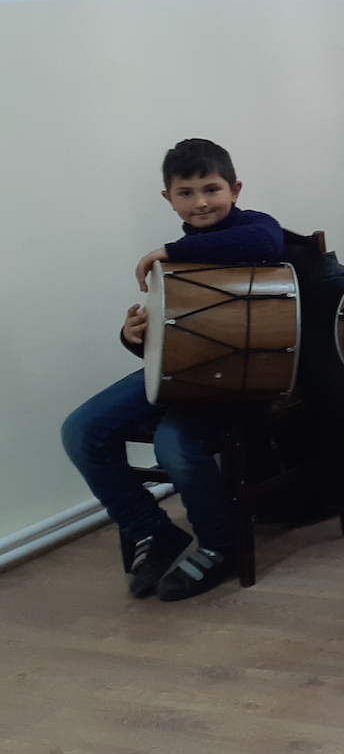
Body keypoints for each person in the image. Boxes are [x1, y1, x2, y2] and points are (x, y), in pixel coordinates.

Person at [60, 139, 285, 602]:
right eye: (186, 193)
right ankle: (152, 531)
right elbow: (177, 339)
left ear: (235, 190)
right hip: (180, 374)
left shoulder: (251, 229)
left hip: (242, 379)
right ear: (169, 198)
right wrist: (134, 336)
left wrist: (166, 249)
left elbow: (266, 243)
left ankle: (221, 545)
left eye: (211, 189)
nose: (200, 202)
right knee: (81, 430)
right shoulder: (181, 257)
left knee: (174, 443)